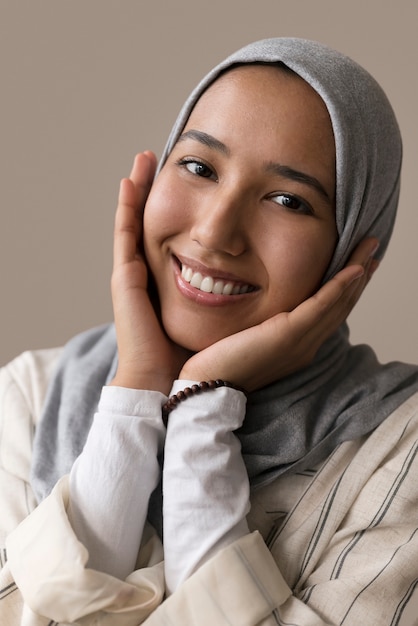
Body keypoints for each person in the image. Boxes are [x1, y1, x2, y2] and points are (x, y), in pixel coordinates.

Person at [1, 36, 418, 625]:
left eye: (287, 200)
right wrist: (138, 390)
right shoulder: (30, 400)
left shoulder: (401, 452)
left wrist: (200, 406)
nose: (216, 232)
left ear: (352, 249)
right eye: (198, 167)